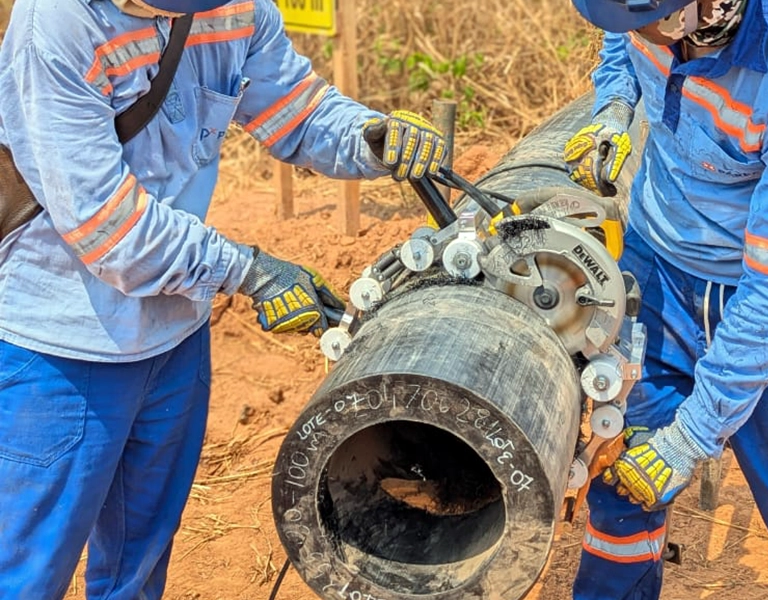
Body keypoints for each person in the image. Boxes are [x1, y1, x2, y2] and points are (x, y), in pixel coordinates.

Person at [0, 0, 447, 595]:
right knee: (29, 570)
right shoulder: (57, 24)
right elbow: (107, 228)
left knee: (139, 559)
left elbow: (299, 110)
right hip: (64, 349)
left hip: (175, 337)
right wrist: (250, 272)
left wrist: (372, 137)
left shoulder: (235, 9)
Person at [563, 0, 768, 598]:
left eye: (644, 23)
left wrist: (690, 437)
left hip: (766, 303)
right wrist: (613, 109)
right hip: (654, 271)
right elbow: (620, 45)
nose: (635, 35)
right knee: (620, 476)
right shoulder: (647, 14)